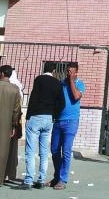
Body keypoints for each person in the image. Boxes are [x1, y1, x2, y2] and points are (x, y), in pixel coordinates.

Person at [22, 62, 65, 190]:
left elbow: (33, 98)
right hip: (48, 118)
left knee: (30, 150)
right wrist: (54, 115)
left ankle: (29, 180)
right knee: (44, 151)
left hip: (36, 116)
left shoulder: (39, 80)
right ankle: (41, 180)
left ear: (43, 69)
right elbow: (61, 103)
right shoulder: (57, 83)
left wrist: (28, 116)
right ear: (53, 71)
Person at [50, 62, 84, 191]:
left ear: (76, 72)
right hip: (58, 121)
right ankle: (57, 176)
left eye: (71, 71)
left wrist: (71, 81)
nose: (68, 73)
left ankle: (62, 180)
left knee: (66, 151)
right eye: (67, 71)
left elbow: (76, 97)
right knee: (54, 150)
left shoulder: (80, 84)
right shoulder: (61, 84)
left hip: (71, 122)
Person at [0, 65, 23, 183]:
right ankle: (9, 173)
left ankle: (0, 173)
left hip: (2, 121)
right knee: (11, 150)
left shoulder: (3, 87)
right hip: (13, 122)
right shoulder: (17, 88)